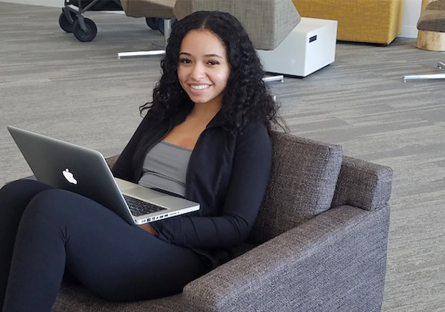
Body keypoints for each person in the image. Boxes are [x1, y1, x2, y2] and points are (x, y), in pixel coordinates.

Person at [0, 10, 284, 312]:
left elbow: (237, 226)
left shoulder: (248, 133)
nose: (195, 74)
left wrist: (158, 226)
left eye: (211, 62)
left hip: (179, 253)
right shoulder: (166, 112)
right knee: (16, 192)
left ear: (234, 67)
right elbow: (120, 175)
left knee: (53, 208)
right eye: (186, 60)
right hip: (130, 227)